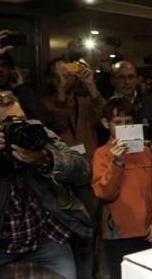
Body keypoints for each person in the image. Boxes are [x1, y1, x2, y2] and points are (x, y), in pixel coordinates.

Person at [0, 91, 91, 279]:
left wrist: (45, 159)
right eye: (9, 123)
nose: (20, 127)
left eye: (22, 119)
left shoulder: (34, 132)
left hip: (45, 239)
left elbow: (82, 169)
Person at [41, 57, 105, 279]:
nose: (66, 77)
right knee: (63, 240)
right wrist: (60, 91)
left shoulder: (84, 102)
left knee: (88, 237)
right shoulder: (46, 105)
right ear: (50, 78)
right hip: (59, 183)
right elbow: (55, 125)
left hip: (87, 179)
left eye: (68, 72)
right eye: (60, 74)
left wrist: (90, 85)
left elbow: (103, 117)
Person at [91, 97, 152, 279]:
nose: (123, 127)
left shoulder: (146, 152)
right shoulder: (102, 154)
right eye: (118, 123)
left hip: (146, 231)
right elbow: (104, 193)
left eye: (128, 122)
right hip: (118, 235)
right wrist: (117, 162)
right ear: (106, 124)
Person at [0, 30, 52, 126]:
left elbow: (45, 122)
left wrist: (21, 87)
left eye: (4, 65)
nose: (0, 70)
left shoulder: (16, 96)